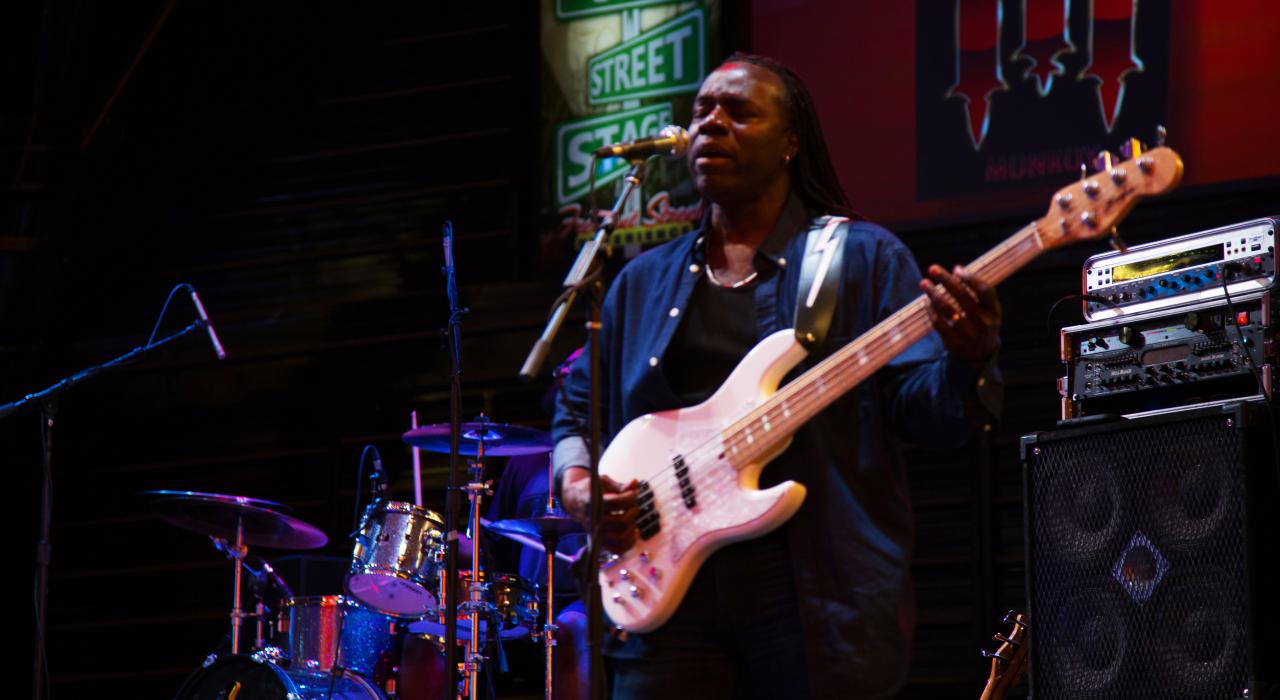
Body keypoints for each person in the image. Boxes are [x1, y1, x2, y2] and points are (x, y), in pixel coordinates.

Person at [551, 53, 1003, 699]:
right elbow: (576, 409)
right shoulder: (640, 282)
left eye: (739, 112)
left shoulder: (862, 258)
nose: (711, 124)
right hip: (664, 597)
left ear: (791, 142)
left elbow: (929, 415)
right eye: (702, 111)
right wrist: (578, 488)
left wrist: (969, 358)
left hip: (816, 593)